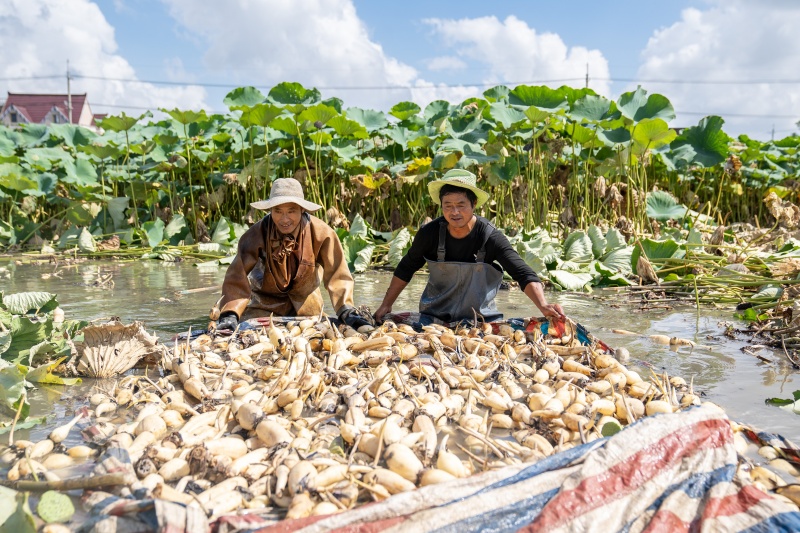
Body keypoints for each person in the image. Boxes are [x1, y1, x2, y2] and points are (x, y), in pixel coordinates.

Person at [373, 169, 564, 326]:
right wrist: (386, 305)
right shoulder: (429, 234)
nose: (454, 212)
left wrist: (543, 305)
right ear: (441, 206)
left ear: (473, 204)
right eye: (448, 205)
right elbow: (406, 268)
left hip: (481, 321)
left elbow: (523, 273)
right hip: (433, 319)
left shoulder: (490, 237)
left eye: (461, 205)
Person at [215, 178, 370, 331]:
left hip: (307, 302)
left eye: (291, 211)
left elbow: (338, 274)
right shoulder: (256, 234)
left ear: (302, 209)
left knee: (318, 328)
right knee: (244, 329)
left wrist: (345, 309)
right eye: (278, 211)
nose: (284, 219)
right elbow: (237, 276)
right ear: (270, 210)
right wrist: (230, 312)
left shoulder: (322, 233)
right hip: (265, 303)